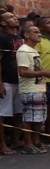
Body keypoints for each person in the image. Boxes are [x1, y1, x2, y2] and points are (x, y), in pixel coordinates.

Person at [16, 24, 50, 154]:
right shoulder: (23, 50)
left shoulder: (33, 50)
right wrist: (44, 73)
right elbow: (23, 72)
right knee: (29, 117)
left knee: (39, 117)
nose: (39, 34)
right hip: (29, 89)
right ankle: (28, 144)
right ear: (27, 35)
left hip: (39, 88)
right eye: (35, 32)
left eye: (39, 32)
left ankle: (36, 141)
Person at [0, 10, 23, 155]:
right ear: (3, 23)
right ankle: (2, 144)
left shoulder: (19, 37)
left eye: (14, 16)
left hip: (19, 80)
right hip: (7, 80)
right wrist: (0, 82)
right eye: (10, 17)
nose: (15, 18)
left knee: (17, 112)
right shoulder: (1, 37)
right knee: (2, 113)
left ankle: (16, 139)